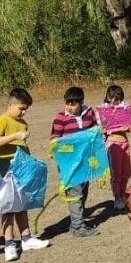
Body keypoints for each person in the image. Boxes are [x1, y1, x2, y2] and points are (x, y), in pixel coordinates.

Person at [0, 88, 49, 261]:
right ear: (10, 105)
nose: (23, 112)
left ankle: (27, 238)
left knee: (22, 203)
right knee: (8, 206)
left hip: (22, 169)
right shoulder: (1, 121)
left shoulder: (22, 122)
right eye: (21, 108)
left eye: (25, 109)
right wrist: (15, 135)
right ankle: (9, 244)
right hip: (5, 168)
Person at [50, 86, 100, 237]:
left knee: (83, 191)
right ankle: (78, 227)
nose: (69, 107)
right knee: (75, 193)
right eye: (67, 103)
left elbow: (95, 131)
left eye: (73, 104)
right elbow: (54, 141)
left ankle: (76, 223)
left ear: (81, 103)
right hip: (69, 164)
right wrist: (69, 149)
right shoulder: (60, 117)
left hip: (85, 162)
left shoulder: (89, 113)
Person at [102, 85, 131, 210]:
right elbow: (104, 128)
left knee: (126, 172)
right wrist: (120, 127)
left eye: (120, 100)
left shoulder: (123, 108)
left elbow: (130, 126)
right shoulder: (104, 110)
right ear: (109, 97)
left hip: (124, 142)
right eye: (115, 99)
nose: (117, 102)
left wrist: (130, 126)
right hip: (113, 143)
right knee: (116, 174)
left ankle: (123, 193)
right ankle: (117, 197)